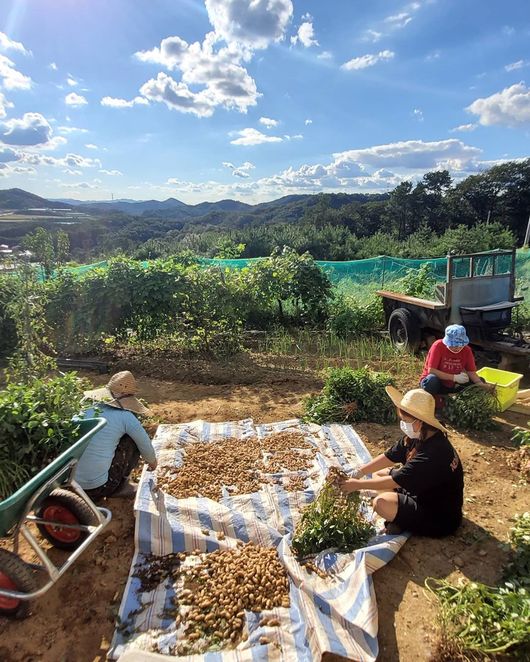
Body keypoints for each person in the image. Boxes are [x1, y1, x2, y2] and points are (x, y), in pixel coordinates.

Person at [339, 386, 463, 537]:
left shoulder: (433, 453)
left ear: (420, 422)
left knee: (381, 503)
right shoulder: (419, 437)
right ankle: (401, 514)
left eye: (405, 420)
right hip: (422, 492)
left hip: (439, 517)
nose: (402, 424)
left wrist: (357, 485)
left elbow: (395, 481)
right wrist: (359, 472)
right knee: (380, 473)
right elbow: (389, 456)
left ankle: (401, 520)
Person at [76, 371, 157, 498]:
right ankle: (121, 485)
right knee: (131, 440)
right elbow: (145, 445)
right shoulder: (125, 417)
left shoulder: (86, 409)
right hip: (98, 488)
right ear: (127, 396)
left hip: (72, 484)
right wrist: (153, 463)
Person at [419, 324, 485, 397]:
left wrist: (480, 383)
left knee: (480, 381)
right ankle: (439, 397)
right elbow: (432, 370)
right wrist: (454, 377)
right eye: (453, 345)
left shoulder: (467, 350)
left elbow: (471, 371)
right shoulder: (438, 346)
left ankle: (450, 395)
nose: (457, 348)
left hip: (451, 384)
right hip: (434, 382)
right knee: (432, 380)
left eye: (460, 345)